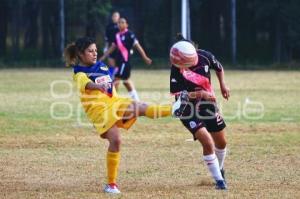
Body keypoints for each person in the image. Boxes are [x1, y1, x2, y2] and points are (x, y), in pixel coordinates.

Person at [64, 37, 173, 194]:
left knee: (139, 107)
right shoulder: (79, 73)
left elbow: (111, 83)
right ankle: (111, 184)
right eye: (90, 51)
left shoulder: (102, 66)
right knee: (116, 141)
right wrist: (97, 85)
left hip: (115, 103)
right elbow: (86, 84)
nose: (95, 54)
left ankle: (175, 109)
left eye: (96, 50)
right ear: (81, 54)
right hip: (100, 112)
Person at [169, 35, 230, 190]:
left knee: (221, 142)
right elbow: (178, 96)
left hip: (207, 105)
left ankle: (219, 169)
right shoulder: (176, 68)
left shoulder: (205, 56)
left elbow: (219, 67)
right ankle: (219, 182)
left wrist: (223, 85)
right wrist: (200, 94)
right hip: (186, 109)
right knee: (207, 141)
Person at [100, 17, 152, 101]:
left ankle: (113, 100)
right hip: (119, 62)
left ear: (126, 24)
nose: (120, 24)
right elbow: (112, 47)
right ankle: (136, 100)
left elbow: (138, 46)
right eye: (119, 23)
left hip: (125, 62)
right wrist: (103, 56)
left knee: (116, 79)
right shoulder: (117, 35)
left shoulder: (130, 34)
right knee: (126, 81)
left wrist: (144, 57)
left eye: (122, 22)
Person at [103, 11, 120, 77]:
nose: (115, 17)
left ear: (119, 17)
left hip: (119, 48)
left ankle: (115, 77)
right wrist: (106, 47)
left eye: (116, 16)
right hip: (110, 47)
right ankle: (111, 78)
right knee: (111, 64)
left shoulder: (120, 26)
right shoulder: (109, 26)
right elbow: (106, 38)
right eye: (114, 16)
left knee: (118, 64)